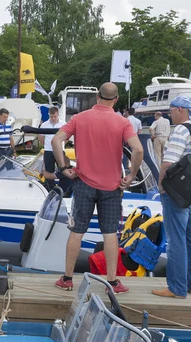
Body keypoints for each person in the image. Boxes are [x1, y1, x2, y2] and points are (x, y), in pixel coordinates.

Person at [52, 82, 143, 294]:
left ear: (97, 97)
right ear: (117, 99)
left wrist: (65, 166)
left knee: (76, 232)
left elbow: (57, 140)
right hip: (112, 187)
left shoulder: (79, 118)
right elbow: (138, 150)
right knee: (110, 234)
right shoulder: (122, 122)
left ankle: (67, 278)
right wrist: (130, 175)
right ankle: (111, 282)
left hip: (83, 183)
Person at [152, 96, 191, 299]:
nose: (169, 114)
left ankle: (176, 288)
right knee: (189, 239)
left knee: (176, 241)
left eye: (171, 110)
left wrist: (160, 185)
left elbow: (168, 163)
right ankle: (188, 284)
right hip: (189, 192)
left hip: (176, 193)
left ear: (180, 110)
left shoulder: (181, 131)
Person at [38, 107, 65, 189]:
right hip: (48, 150)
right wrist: (47, 145)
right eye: (51, 116)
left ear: (58, 115)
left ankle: (63, 189)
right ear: (49, 115)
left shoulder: (63, 124)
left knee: (63, 170)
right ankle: (51, 189)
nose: (53, 118)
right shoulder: (44, 125)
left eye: (55, 116)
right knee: (49, 171)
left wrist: (60, 145)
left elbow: (66, 138)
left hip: (60, 150)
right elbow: (41, 138)